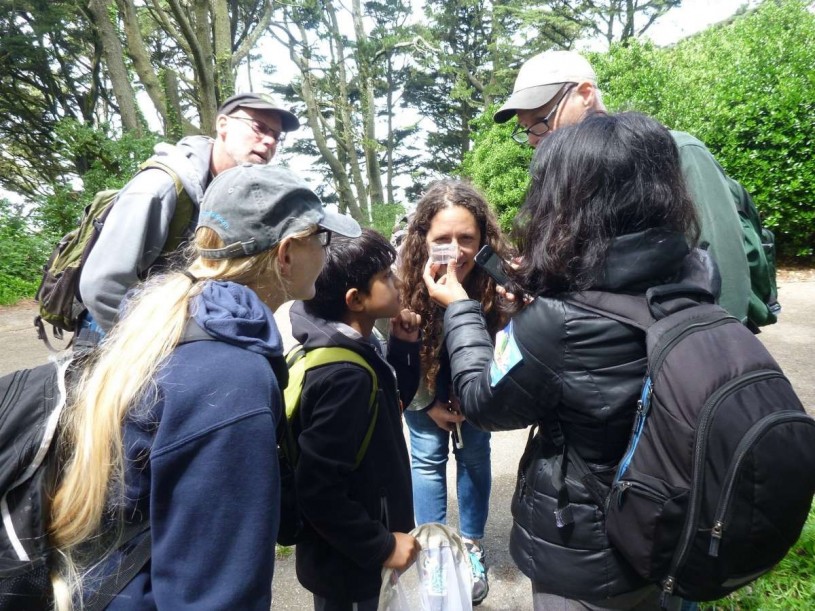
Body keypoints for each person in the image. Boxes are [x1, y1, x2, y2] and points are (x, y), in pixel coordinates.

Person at [423, 112, 705, 610]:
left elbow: (483, 401)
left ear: (573, 201)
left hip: (593, 557)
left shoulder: (561, 319)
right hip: (681, 523)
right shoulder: (697, 273)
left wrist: (461, 310)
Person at [48, 164, 361, 610]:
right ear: (287, 254)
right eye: (321, 238)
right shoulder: (231, 379)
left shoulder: (166, 316)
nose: (326, 253)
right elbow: (216, 594)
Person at [493, 49, 755, 327]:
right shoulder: (565, 175)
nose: (534, 139)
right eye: (526, 129)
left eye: (541, 120)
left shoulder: (673, 151)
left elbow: (727, 271)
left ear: (585, 94)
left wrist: (719, 345)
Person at [78, 92, 300, 339]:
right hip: (117, 330)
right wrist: (146, 348)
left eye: (276, 136)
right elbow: (102, 287)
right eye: (259, 127)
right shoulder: (159, 187)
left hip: (171, 328)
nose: (269, 141)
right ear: (223, 125)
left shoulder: (234, 197)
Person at [289, 228, 423, 611]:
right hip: (351, 561)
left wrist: (404, 348)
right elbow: (317, 489)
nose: (398, 283)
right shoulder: (344, 375)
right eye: (386, 277)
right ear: (356, 299)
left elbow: (388, 407)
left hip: (354, 549)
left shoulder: (351, 343)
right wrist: (381, 546)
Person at [397, 180, 508, 605]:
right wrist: (427, 405)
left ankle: (471, 545)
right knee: (426, 460)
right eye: (442, 239)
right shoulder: (403, 278)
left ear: (484, 240)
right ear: (422, 240)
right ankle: (435, 551)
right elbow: (398, 359)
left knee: (476, 457)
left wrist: (514, 308)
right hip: (421, 385)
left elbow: (507, 349)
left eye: (467, 238)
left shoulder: (495, 277)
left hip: (477, 384)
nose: (456, 250)